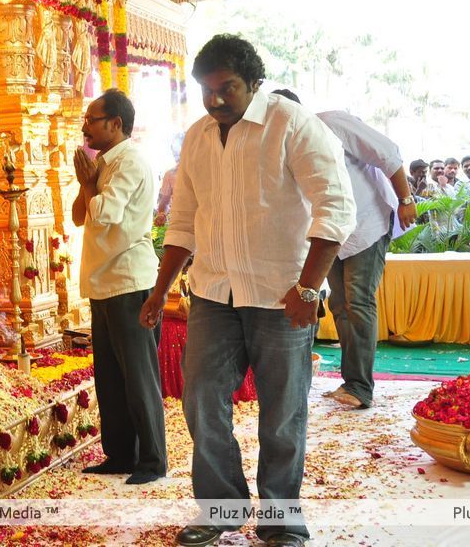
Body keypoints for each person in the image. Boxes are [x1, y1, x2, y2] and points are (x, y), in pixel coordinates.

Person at [139, 35, 354, 547]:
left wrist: (308, 288)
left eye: (226, 87)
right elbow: (184, 223)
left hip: (281, 296)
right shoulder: (196, 137)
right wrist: (158, 289)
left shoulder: (292, 124)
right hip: (214, 292)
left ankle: (281, 519)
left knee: (282, 411)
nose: (215, 99)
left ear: (253, 81)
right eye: (206, 90)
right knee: (201, 399)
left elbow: (335, 207)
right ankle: (220, 509)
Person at [274, 89, 417, 409]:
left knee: (358, 301)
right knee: (340, 305)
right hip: (332, 235)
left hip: (367, 225)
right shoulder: (282, 146)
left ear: (294, 113)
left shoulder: (333, 124)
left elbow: (388, 154)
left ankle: (360, 387)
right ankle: (351, 381)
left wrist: (406, 199)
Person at [72, 89, 166, 486]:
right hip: (103, 282)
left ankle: (152, 460)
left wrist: (90, 185)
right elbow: (80, 215)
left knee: (139, 377)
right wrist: (86, 185)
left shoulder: (130, 162)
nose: (84, 127)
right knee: (110, 377)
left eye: (92, 119)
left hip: (129, 280)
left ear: (115, 124)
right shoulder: (102, 166)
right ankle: (120, 454)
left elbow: (107, 213)